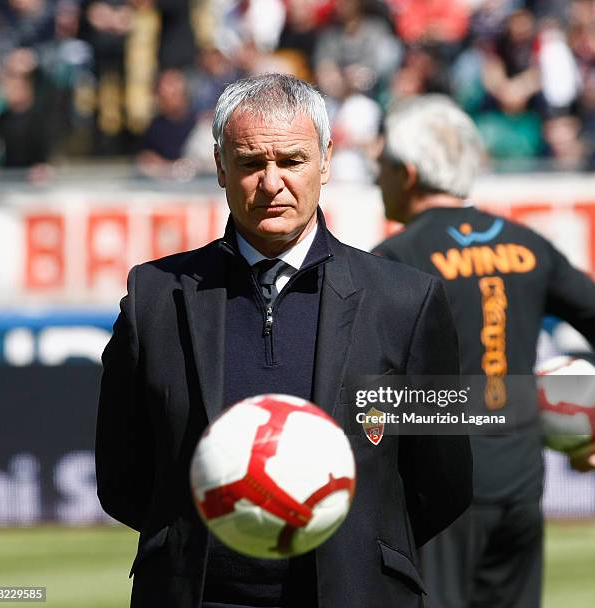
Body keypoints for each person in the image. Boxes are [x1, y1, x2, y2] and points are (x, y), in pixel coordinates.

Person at [96, 74, 472, 608]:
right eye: (251, 163)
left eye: (292, 161)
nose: (271, 183)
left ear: (326, 159)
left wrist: (360, 554)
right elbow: (122, 476)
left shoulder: (407, 301)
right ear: (221, 167)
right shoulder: (153, 297)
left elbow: (444, 484)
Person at [373, 94, 595, 608]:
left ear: (407, 173)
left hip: (442, 495)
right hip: (521, 486)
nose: (376, 176)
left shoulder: (394, 259)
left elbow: (365, 389)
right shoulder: (528, 243)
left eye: (380, 165)